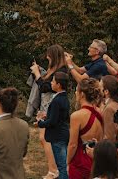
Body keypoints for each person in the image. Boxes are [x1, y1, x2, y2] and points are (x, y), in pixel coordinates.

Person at [30, 44, 68, 179]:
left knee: (46, 137)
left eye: (48, 55)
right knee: (44, 138)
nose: (47, 57)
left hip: (53, 105)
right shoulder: (53, 69)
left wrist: (37, 74)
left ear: (53, 56)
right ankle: (53, 168)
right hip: (46, 105)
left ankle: (54, 170)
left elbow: (45, 88)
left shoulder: (62, 70)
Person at [67, 78, 104, 179]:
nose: (75, 93)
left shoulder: (77, 116)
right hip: (96, 159)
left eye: (76, 90)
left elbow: (73, 145)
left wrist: (67, 162)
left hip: (80, 161)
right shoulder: (101, 112)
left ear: (82, 94)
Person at [37, 72, 71, 179]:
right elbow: (60, 116)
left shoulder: (56, 100)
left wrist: (40, 123)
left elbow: (52, 122)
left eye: (53, 81)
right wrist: (48, 115)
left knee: (61, 166)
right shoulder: (64, 98)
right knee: (63, 164)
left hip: (57, 136)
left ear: (59, 85)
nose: (51, 83)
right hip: (63, 133)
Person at [100, 76, 118, 143]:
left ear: (106, 91)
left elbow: (109, 137)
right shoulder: (116, 103)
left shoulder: (109, 108)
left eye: (100, 87)